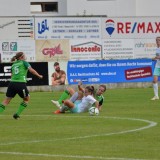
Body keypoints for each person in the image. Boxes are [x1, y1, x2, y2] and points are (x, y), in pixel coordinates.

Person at [0, 52, 43, 119]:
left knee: (6, 100)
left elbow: (12, 75)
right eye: (24, 55)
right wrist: (39, 75)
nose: (25, 56)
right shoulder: (24, 62)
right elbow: (31, 70)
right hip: (20, 84)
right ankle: (17, 114)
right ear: (21, 57)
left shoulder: (13, 64)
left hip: (11, 84)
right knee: (26, 99)